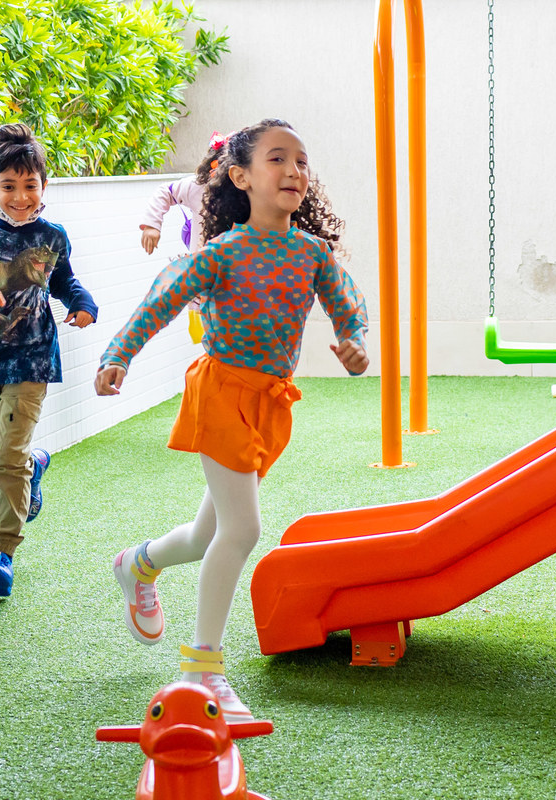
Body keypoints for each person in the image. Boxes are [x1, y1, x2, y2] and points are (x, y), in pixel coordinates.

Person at [94, 118, 369, 723]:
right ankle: (202, 669)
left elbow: (350, 310)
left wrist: (354, 345)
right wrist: (118, 353)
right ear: (240, 177)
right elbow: (159, 301)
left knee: (204, 537)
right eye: (278, 159)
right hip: (222, 393)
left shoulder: (312, 256)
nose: (295, 170)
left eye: (301, 161)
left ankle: (137, 563)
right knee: (241, 531)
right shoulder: (219, 254)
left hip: (270, 404)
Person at [0, 123, 98, 598]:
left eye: (30, 185)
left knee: (6, 460)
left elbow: (64, 282)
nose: (20, 196)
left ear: (44, 186)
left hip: (32, 360)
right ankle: (36, 465)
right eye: (8, 186)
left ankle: (2, 551)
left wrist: (83, 303)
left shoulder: (53, 235)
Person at [140, 130, 229, 344]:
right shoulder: (197, 188)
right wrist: (152, 224)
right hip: (203, 278)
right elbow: (166, 191)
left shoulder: (250, 194)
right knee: (208, 339)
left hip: (236, 279)